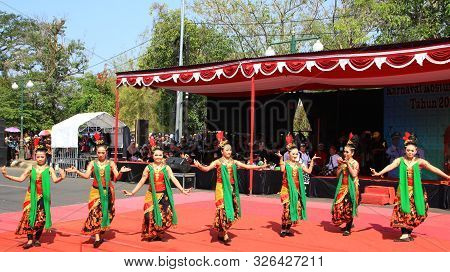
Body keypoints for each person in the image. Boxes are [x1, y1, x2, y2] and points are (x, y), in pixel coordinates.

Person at [371, 132, 450, 242]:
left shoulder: (419, 161)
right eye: (408, 150)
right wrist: (379, 173)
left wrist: (447, 176)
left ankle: (407, 233)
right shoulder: (400, 160)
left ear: (416, 151)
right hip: (403, 191)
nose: (410, 152)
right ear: (405, 150)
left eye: (412, 150)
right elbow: (390, 166)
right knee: (403, 211)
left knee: (415, 212)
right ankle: (405, 234)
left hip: (416, 191)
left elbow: (434, 168)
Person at [193, 131, 267, 245]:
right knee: (222, 210)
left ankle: (221, 232)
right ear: (222, 151)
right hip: (221, 188)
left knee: (231, 211)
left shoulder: (234, 161)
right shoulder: (218, 161)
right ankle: (225, 233)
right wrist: (199, 166)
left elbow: (247, 166)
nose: (229, 152)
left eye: (230, 150)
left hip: (231, 189)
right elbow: (207, 169)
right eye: (227, 150)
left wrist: (261, 166)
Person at [66, 139, 131, 248]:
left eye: (102, 152)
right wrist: (76, 171)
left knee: (108, 214)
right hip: (95, 191)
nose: (100, 154)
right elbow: (87, 176)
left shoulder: (111, 163)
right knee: (95, 213)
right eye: (98, 152)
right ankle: (97, 238)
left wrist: (120, 172)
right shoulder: (92, 163)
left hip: (108, 191)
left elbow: (116, 177)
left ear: (106, 152)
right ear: (96, 152)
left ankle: (100, 232)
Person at [1, 145, 66, 249]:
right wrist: (6, 175)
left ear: (46, 157)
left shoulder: (49, 169)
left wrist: (62, 177)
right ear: (35, 157)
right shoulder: (31, 168)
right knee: (29, 217)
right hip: (30, 196)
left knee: (41, 218)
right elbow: (20, 179)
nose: (40, 159)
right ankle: (30, 240)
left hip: (43, 197)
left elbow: (55, 180)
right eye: (38, 156)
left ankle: (37, 238)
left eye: (42, 157)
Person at [123, 144, 191, 241]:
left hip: (163, 195)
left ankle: (159, 232)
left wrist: (182, 190)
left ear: (163, 156)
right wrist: (132, 192)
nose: (158, 157)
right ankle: (151, 232)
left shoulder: (166, 168)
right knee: (148, 214)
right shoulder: (148, 168)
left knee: (163, 215)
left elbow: (173, 178)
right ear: (152, 156)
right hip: (151, 194)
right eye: (156, 155)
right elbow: (142, 181)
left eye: (160, 155)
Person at [276, 135, 319, 237]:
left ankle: (287, 229)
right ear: (289, 154)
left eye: (296, 153)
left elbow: (309, 171)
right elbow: (282, 169)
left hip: (296, 190)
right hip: (286, 189)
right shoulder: (286, 164)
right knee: (287, 209)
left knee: (295, 208)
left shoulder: (300, 164)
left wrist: (312, 161)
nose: (295, 155)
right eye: (293, 153)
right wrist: (281, 158)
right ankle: (283, 229)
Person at [331, 134, 360, 236]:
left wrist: (347, 164)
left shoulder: (355, 163)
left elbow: (354, 174)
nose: (344, 153)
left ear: (352, 153)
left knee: (349, 207)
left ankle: (348, 228)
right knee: (339, 206)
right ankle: (347, 224)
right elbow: (337, 175)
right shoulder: (342, 162)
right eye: (344, 151)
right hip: (342, 187)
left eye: (347, 152)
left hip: (351, 188)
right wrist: (339, 166)